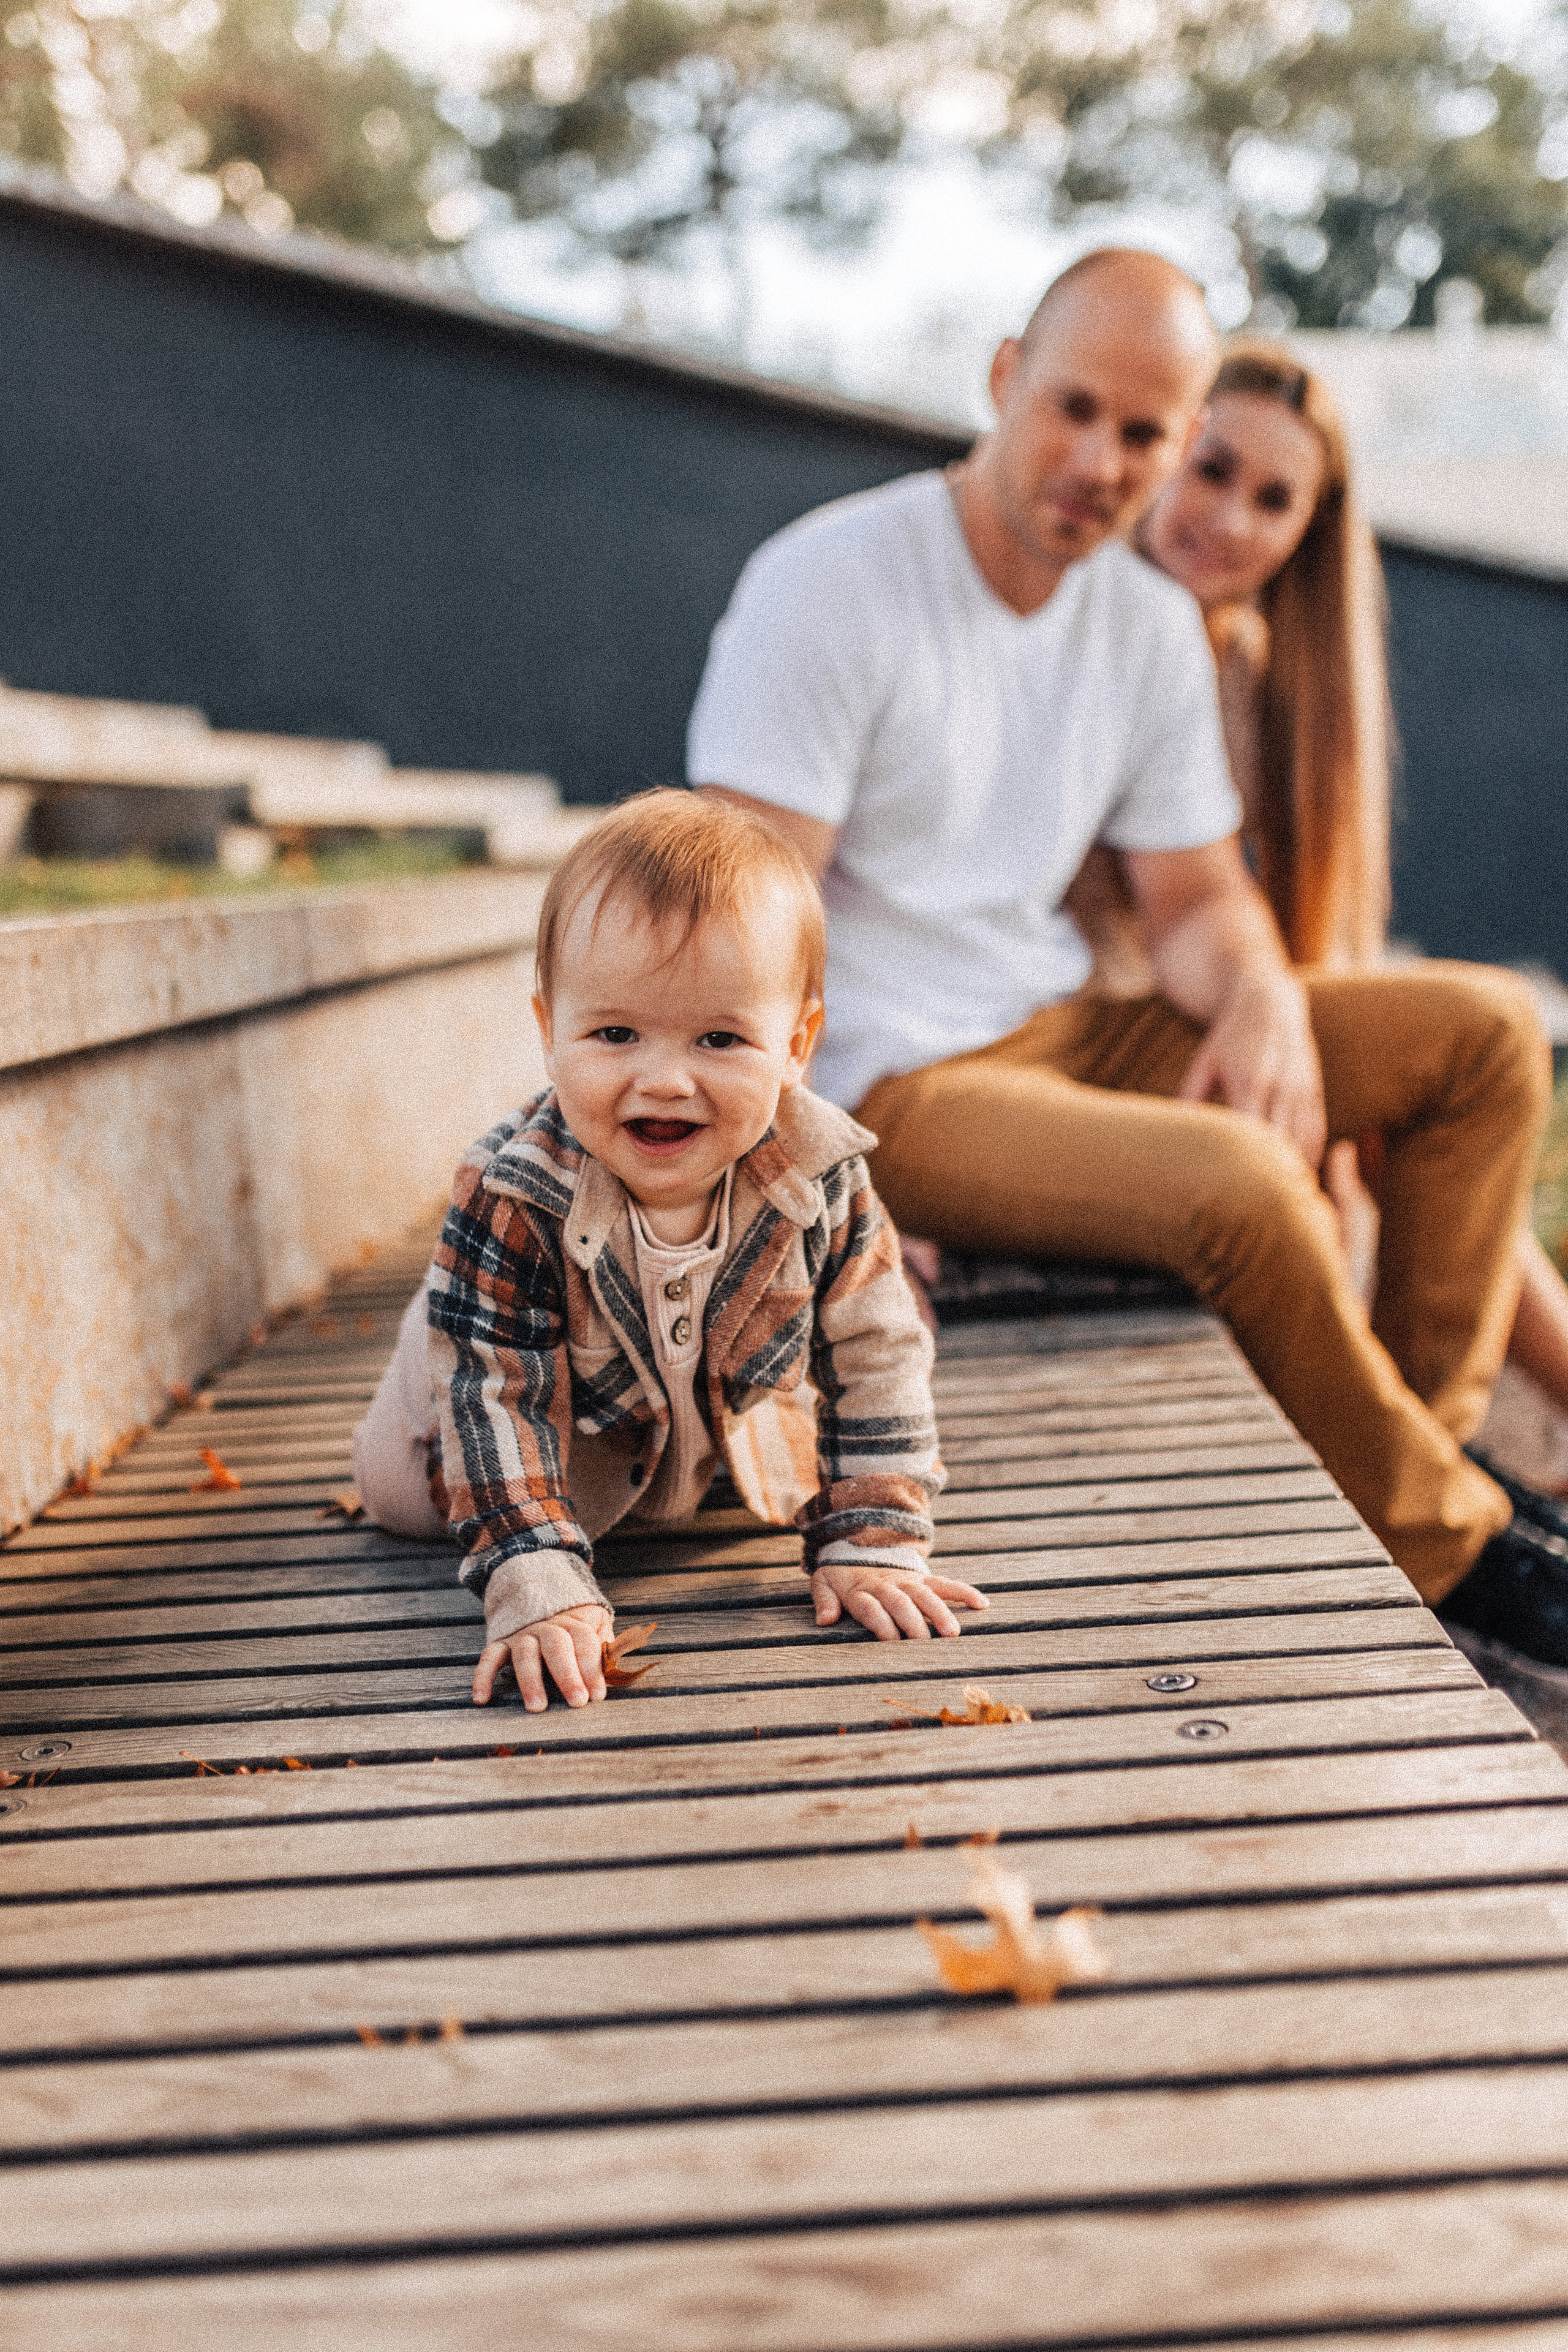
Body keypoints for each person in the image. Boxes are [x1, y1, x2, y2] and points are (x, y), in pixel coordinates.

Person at [687, 245, 1568, 1662]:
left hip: (1066, 1025)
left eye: (1143, 432)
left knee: (1483, 1037)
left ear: (1176, 438)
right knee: (1240, 1181)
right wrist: (791, 1179)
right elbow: (739, 920)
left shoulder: (1146, 624)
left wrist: (1261, 994)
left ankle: (1419, 1454)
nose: (1100, 462)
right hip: (890, 1080)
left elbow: (1196, 900)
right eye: (1073, 408)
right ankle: (1454, 1550)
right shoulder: (832, 581)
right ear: (1003, 379)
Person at [352, 789, 979, 1712]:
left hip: (682, 1410)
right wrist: (535, 1582)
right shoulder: (515, 1195)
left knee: (790, 1397)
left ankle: (686, 1439)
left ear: (796, 1044)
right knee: (411, 1491)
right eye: (615, 1035)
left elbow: (877, 1352)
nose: (665, 1078)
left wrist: (873, 1538)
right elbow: (493, 1399)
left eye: (721, 1038)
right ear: (550, 1032)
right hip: (478, 1414)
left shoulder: (820, 1175)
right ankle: (445, 1310)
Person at [1112, 339, 1568, 1466]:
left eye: (1276, 501)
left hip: (1220, 1055)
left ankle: (1431, 1464)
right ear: (1165, 449)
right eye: (1214, 468)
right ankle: (1435, 1473)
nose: (1230, 518)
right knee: (1468, 1052)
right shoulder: (1078, 633)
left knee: (1479, 1057)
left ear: (1308, 534)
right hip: (1096, 1062)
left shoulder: (1268, 685)